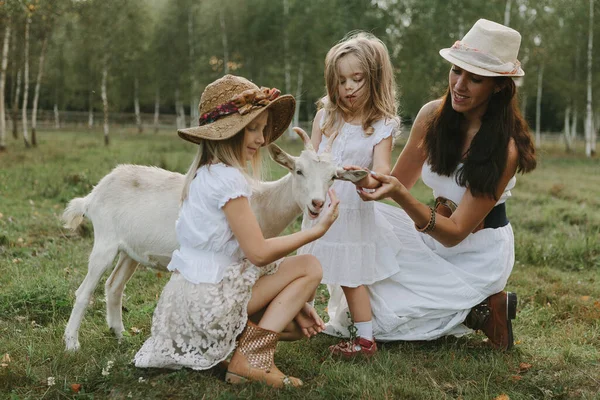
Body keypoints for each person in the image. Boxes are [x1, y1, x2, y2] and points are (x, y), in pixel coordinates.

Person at [134, 75, 340, 388]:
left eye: (263, 128)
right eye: (253, 129)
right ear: (228, 132)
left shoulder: (205, 174)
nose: (262, 139)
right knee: (309, 266)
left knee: (297, 325)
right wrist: (316, 230)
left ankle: (233, 350)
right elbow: (257, 252)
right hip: (209, 305)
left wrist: (297, 304)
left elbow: (240, 255)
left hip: (185, 309)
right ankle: (249, 361)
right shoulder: (230, 182)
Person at [345, 19, 536, 351]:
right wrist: (347, 171)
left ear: (499, 87)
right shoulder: (432, 115)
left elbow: (455, 233)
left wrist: (402, 197)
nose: (459, 85)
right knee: (354, 226)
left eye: (475, 79)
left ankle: (483, 307)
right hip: (431, 234)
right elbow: (396, 180)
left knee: (387, 323)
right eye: (456, 71)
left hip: (475, 252)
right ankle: (470, 310)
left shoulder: (504, 147)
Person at [298, 31, 401, 358]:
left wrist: (368, 178)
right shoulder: (325, 116)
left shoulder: (381, 123)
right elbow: (312, 158)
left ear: (374, 78)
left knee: (352, 276)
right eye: (341, 81)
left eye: (357, 79)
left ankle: (365, 341)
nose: (349, 88)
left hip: (353, 210)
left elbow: (382, 170)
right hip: (319, 204)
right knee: (307, 265)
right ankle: (298, 318)